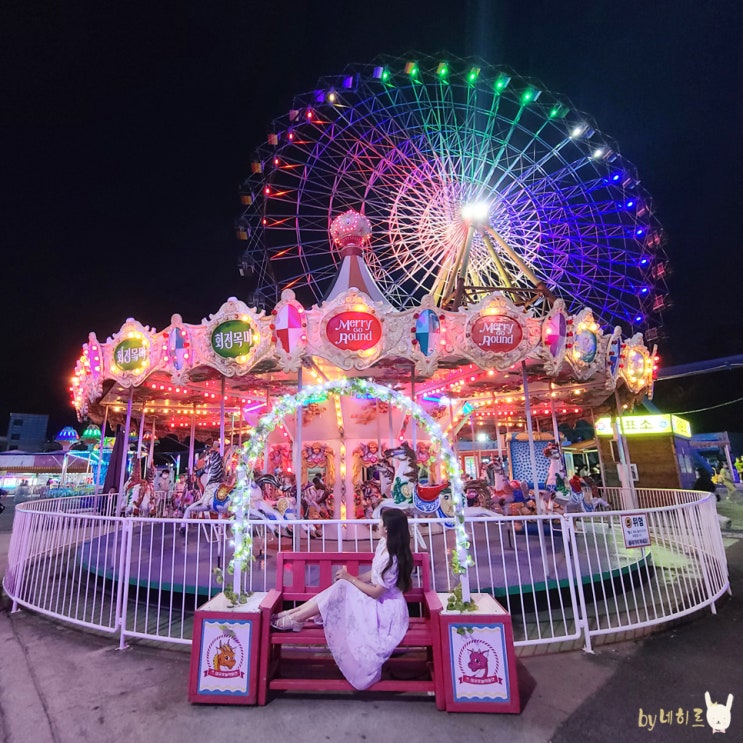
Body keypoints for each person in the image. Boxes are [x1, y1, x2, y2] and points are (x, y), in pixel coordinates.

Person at [270, 508, 414, 690]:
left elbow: (377, 592)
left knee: (342, 586)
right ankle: (295, 614)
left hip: (385, 609)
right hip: (376, 600)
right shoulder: (383, 544)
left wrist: (350, 579)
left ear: (387, 528)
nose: (377, 524)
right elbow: (375, 574)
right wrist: (354, 579)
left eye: (380, 522)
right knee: (340, 587)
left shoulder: (392, 558)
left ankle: (295, 616)